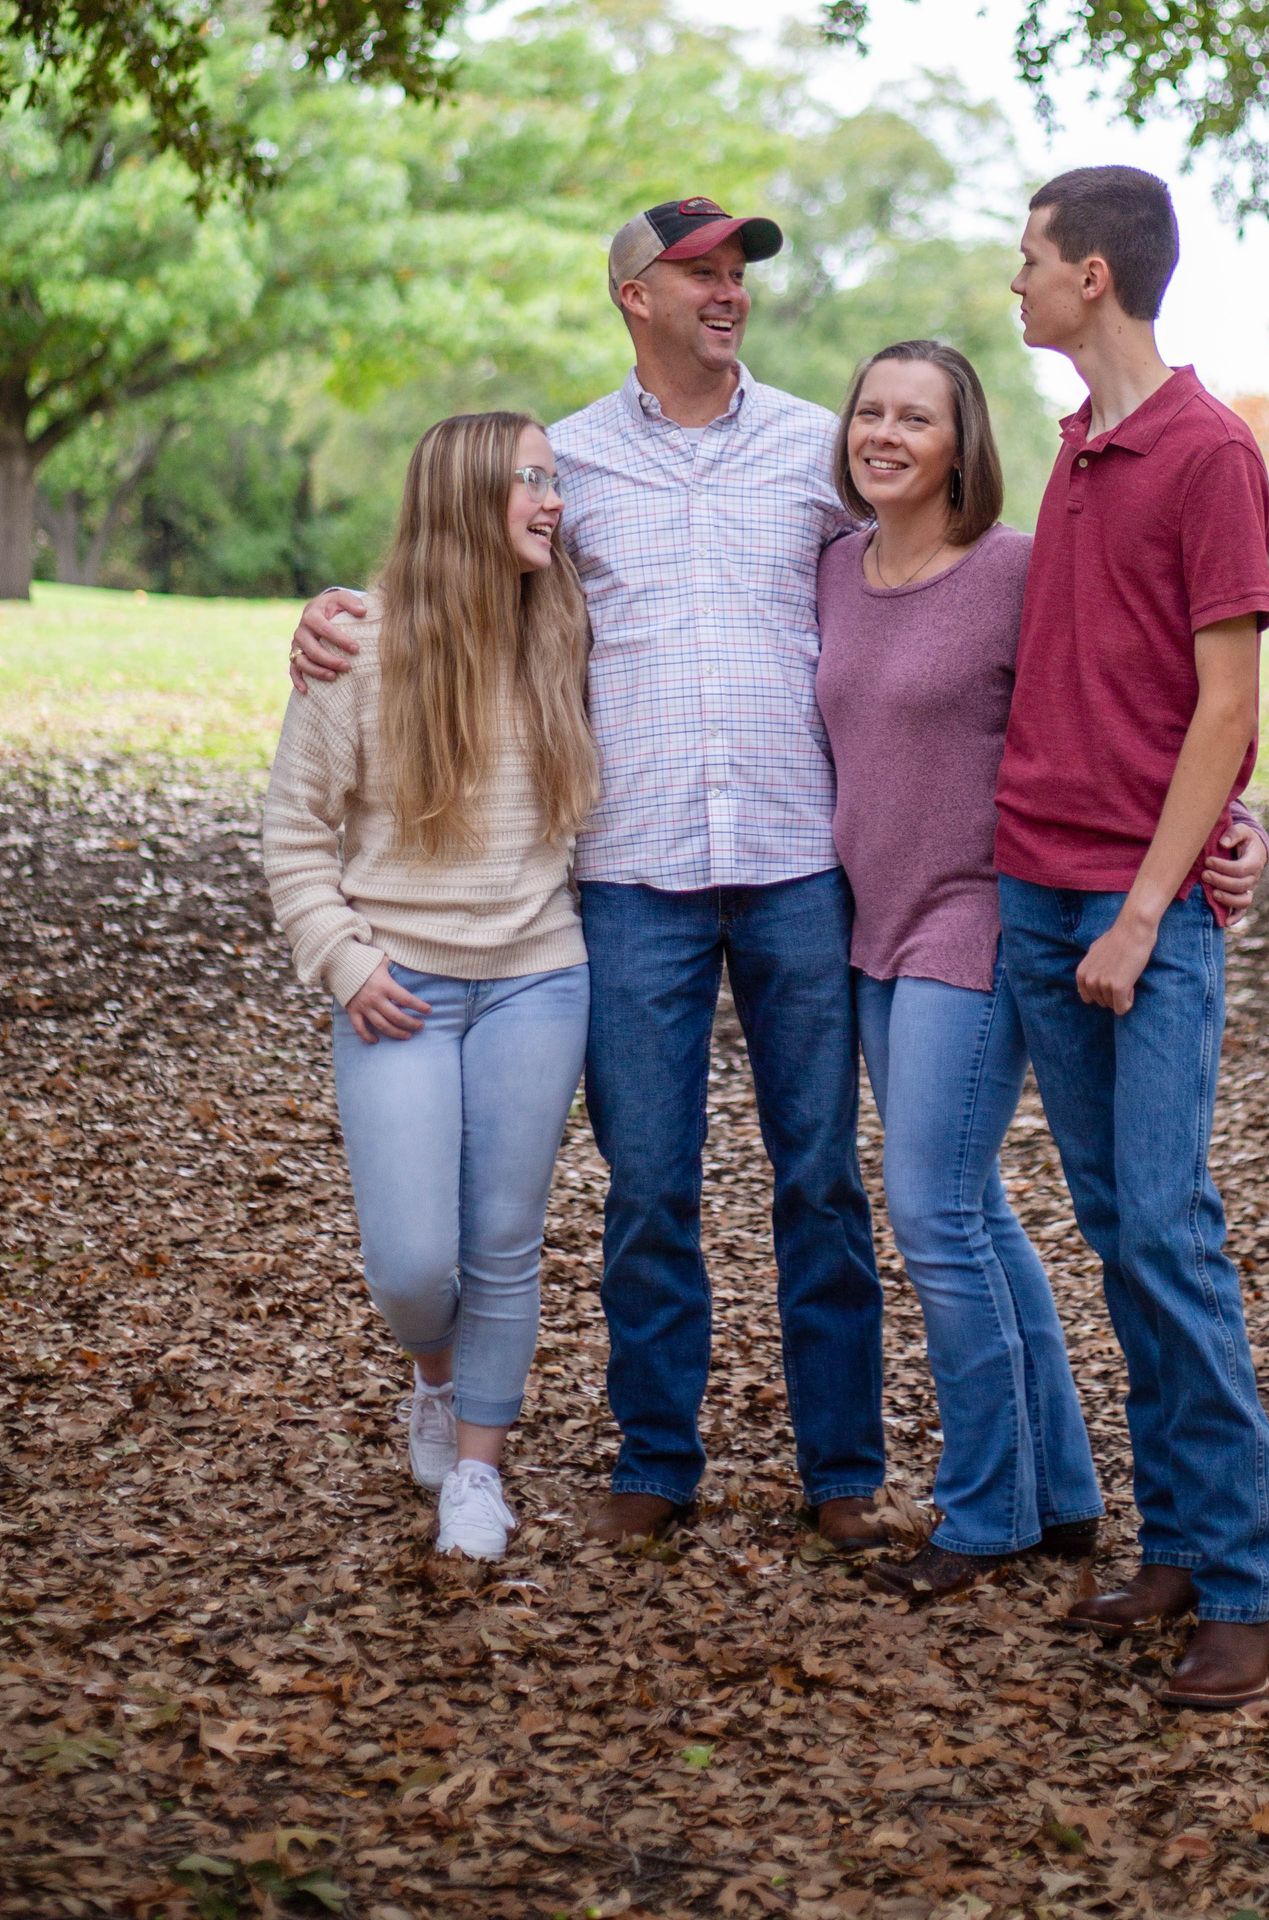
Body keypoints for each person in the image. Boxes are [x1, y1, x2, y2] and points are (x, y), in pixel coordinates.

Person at [288, 200, 891, 1553]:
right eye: (701, 275)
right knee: (647, 1186)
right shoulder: (566, 463)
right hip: (630, 877)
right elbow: (457, 577)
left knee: (820, 1179)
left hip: (800, 862)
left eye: (739, 276)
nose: (727, 294)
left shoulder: (816, 449)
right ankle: (656, 1458)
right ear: (636, 295)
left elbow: (918, 583)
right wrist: (334, 619)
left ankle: (844, 1468)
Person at [815, 339, 1267, 1602]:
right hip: (872, 929)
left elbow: (1147, 697)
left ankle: (985, 1511)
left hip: (982, 913)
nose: (886, 433)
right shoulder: (830, 574)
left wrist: (1241, 823)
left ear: (966, 446)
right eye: (870, 410)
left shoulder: (1014, 572)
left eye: (919, 415)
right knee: (971, 1208)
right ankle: (1062, 1492)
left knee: (933, 1213)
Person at [994, 164, 1269, 1709]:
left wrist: (1153, 904)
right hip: (1037, 892)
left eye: (1030, 258)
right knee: (1120, 1232)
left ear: (1092, 276)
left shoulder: (1205, 450)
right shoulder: (1078, 447)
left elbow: (1228, 704)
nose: (1018, 282)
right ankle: (1177, 1539)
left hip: (1133, 912)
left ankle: (1243, 1581)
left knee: (1170, 1229)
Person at [262, 411, 598, 1562]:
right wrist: (347, 964)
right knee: (413, 1268)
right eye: (530, 484)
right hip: (398, 985)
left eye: (555, 479)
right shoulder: (358, 652)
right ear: (465, 501)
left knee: (503, 1240)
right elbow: (293, 837)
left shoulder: (565, 629)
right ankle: (436, 1376)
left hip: (537, 980)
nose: (553, 502)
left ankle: (478, 1473)